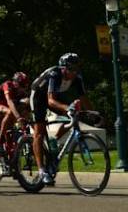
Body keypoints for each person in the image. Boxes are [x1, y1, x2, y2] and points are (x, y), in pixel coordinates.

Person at [30, 53, 92, 185]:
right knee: (39, 133)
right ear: (63, 68)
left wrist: (94, 114)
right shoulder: (55, 74)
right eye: (72, 69)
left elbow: (84, 99)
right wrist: (67, 108)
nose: (75, 72)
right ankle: (42, 171)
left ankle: (54, 140)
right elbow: (51, 101)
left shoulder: (77, 78)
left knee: (74, 117)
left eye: (77, 68)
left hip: (53, 96)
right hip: (38, 97)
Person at [0, 72, 31, 160]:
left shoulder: (22, 91)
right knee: (10, 112)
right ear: (15, 83)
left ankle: (10, 162)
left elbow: (27, 107)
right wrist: (18, 118)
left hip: (5, 107)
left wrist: (28, 121)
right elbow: (9, 102)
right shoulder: (7, 85)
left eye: (25, 86)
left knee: (26, 103)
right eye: (22, 86)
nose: (23, 89)